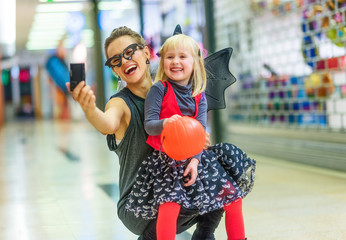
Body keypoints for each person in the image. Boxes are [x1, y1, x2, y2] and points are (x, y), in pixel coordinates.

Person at [66, 26, 224, 240]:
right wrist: (89, 109)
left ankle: (205, 235)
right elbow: (108, 123)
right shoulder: (120, 103)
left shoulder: (172, 89)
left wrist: (195, 141)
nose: (124, 61)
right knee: (184, 197)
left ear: (147, 52)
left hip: (172, 190)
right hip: (138, 203)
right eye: (116, 60)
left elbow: (192, 129)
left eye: (130, 52)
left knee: (222, 184)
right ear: (114, 70)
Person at [125, 33, 256, 240]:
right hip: (167, 161)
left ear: (195, 63)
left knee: (232, 199)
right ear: (163, 62)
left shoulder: (199, 94)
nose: (175, 61)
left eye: (182, 57)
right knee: (169, 208)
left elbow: (201, 132)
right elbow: (149, 126)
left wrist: (195, 161)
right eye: (170, 57)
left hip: (197, 159)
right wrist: (166, 123)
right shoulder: (159, 89)